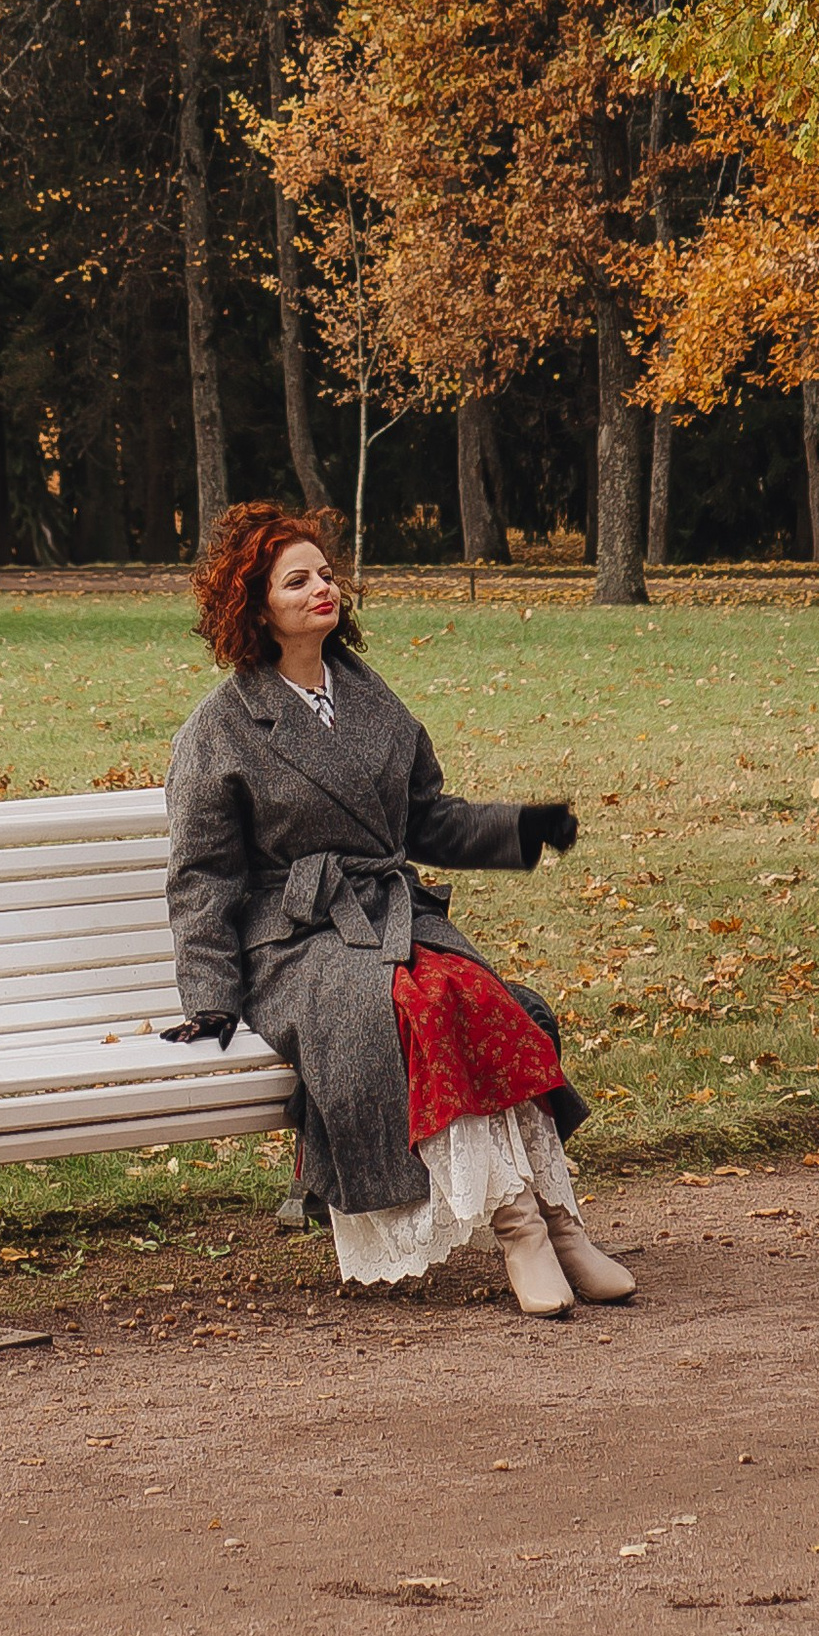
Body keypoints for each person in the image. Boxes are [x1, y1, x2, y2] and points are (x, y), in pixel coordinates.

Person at [161, 499, 636, 1318]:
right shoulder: (222, 727)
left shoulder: (370, 697)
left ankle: (563, 1225)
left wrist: (522, 828)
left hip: (389, 914)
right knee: (426, 1003)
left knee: (486, 998)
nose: (324, 588)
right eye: (297, 579)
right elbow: (203, 877)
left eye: (326, 573)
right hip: (296, 939)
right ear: (256, 605)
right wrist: (209, 996)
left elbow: (426, 817)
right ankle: (519, 1231)